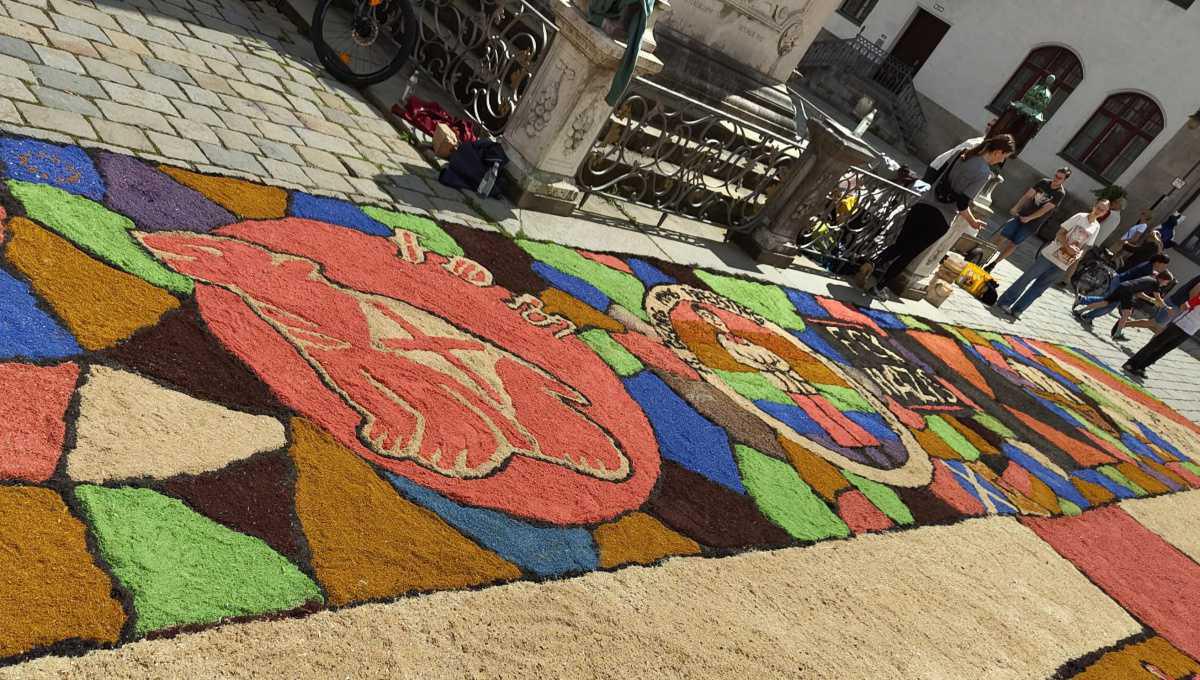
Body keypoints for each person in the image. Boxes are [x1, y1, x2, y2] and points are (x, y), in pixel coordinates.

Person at [857, 135, 1016, 297]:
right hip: (941, 217)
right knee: (908, 254)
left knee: (899, 244)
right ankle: (878, 287)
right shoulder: (983, 172)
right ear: (998, 152)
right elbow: (962, 204)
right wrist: (973, 222)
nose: (1001, 161)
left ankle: (871, 264)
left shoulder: (962, 154)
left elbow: (936, 173)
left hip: (923, 204)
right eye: (1004, 157)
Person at [996, 199, 1109, 319]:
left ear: (1104, 213)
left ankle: (1018, 309)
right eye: (1098, 207)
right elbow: (1060, 234)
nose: (1099, 211)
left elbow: (1085, 246)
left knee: (1040, 288)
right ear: (1094, 205)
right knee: (1026, 278)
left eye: (1102, 210)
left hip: (1064, 263)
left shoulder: (1096, 227)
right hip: (1049, 255)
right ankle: (1005, 302)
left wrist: (1078, 254)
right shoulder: (1080, 216)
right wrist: (1068, 246)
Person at [985, 168, 1070, 271]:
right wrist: (1016, 207)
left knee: (1013, 244)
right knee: (1002, 236)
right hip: (1022, 214)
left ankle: (993, 264)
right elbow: (1028, 195)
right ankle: (984, 256)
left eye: (1059, 178)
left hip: (1033, 223)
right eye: (1055, 176)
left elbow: (1045, 209)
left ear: (1064, 180)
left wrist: (1029, 218)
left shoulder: (1060, 193)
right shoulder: (1044, 182)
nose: (1056, 179)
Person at [1073, 268, 1173, 340]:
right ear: (1163, 279)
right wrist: (1166, 307)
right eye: (1167, 282)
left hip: (1123, 286)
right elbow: (1158, 298)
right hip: (1127, 291)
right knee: (1127, 314)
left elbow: (1139, 293)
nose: (1166, 284)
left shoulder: (1150, 278)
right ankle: (1117, 334)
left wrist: (1151, 300)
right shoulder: (1156, 284)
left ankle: (1080, 311)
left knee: (1105, 302)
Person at [1123, 289, 1200, 377]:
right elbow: (1184, 306)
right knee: (1156, 344)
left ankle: (1142, 366)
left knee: (1164, 350)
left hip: (1190, 331)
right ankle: (1131, 363)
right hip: (1179, 324)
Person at [921, 118, 998, 183]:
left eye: (992, 126)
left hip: (945, 169)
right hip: (940, 164)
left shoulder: (983, 144)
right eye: (988, 124)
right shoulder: (980, 139)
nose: (989, 127)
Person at [1127, 272, 1200, 333]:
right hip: (1177, 304)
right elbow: (1193, 292)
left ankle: (1151, 348)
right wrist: (1189, 306)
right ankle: (1124, 324)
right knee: (1154, 323)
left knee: (1159, 327)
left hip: (1177, 303)